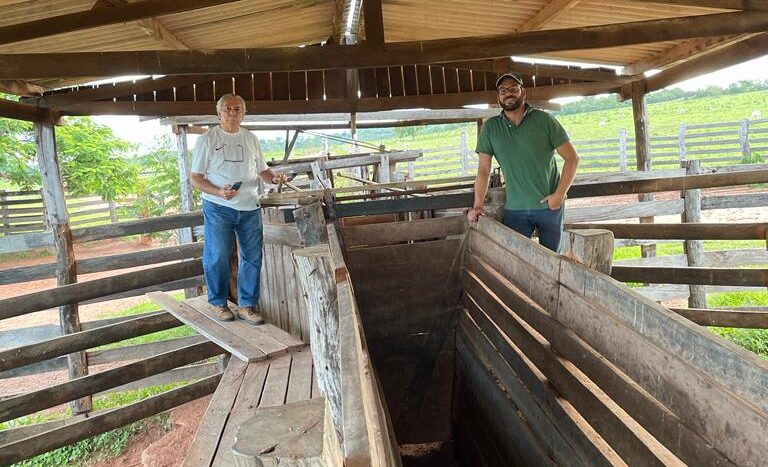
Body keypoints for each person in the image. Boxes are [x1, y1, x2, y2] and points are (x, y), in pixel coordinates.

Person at [190, 93, 287, 324]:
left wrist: (274, 178)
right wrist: (218, 192)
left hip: (249, 206)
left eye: (237, 109)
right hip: (218, 206)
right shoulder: (207, 140)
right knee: (218, 255)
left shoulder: (251, 139)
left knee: (252, 257)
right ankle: (218, 302)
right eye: (227, 109)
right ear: (219, 112)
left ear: (243, 113)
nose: (232, 113)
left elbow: (262, 171)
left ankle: (247, 305)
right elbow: (195, 178)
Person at [467, 72, 580, 252]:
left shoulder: (544, 120)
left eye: (513, 88)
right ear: (498, 97)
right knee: (515, 260)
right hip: (515, 209)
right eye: (503, 90)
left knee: (552, 262)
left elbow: (572, 158)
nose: (508, 93)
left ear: (523, 92)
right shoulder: (490, 128)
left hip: (548, 208)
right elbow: (483, 170)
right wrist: (478, 205)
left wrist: (559, 195)